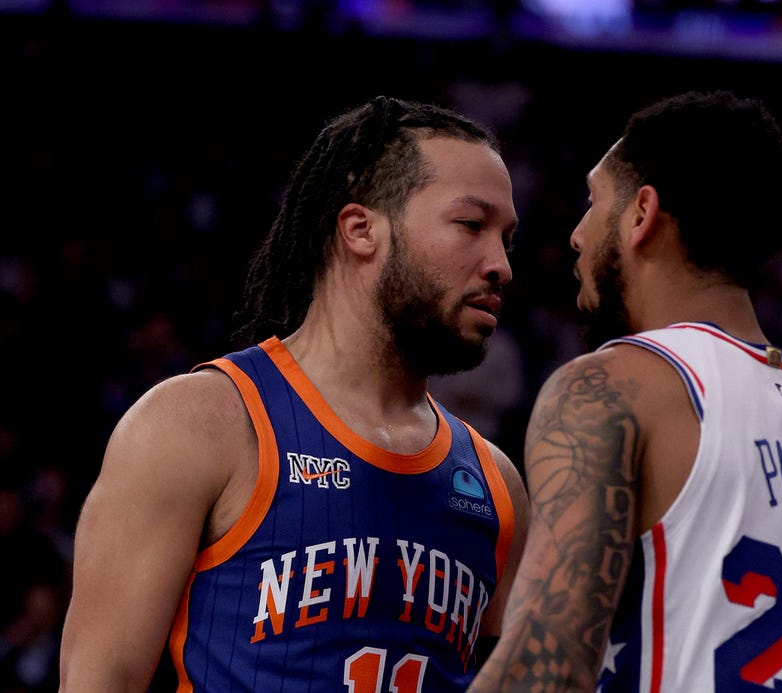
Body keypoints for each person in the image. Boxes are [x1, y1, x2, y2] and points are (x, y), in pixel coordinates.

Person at [468, 90, 782, 692]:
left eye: (594, 201)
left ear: (641, 214)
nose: (577, 235)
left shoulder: (614, 389)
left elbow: (546, 673)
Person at [59, 95, 530, 691]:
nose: (501, 265)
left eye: (507, 238)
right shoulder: (198, 425)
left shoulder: (497, 486)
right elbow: (99, 680)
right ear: (361, 230)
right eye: (471, 225)